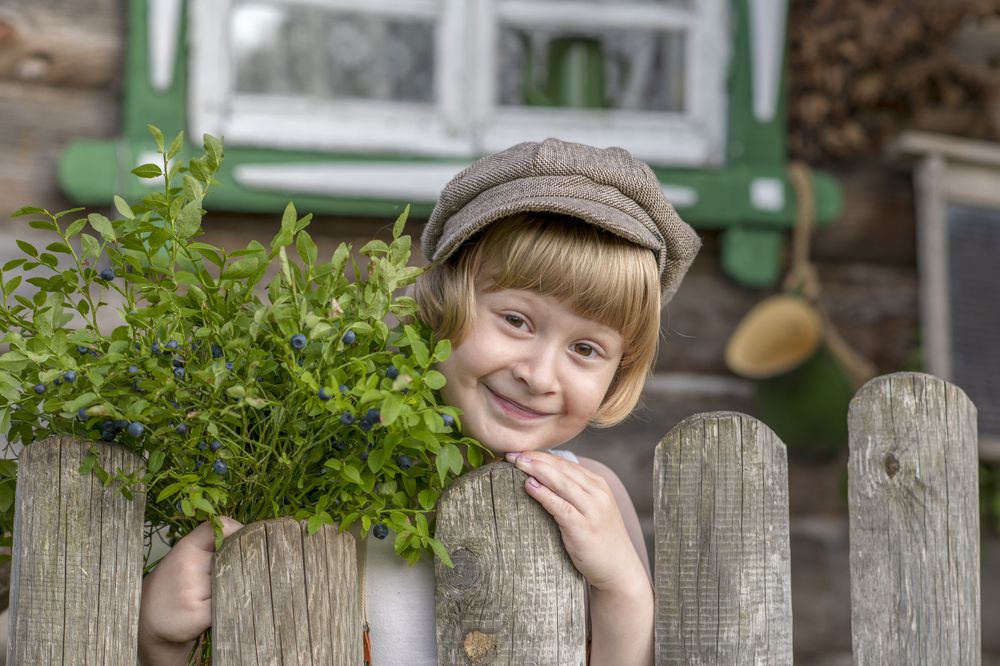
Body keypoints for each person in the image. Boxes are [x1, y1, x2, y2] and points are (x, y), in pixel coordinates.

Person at [137, 138, 700, 665]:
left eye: (585, 348)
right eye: (516, 320)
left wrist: (622, 584)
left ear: (618, 370)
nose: (538, 375)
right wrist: (158, 637)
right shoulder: (326, 476)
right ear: (442, 303)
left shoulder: (596, 500)